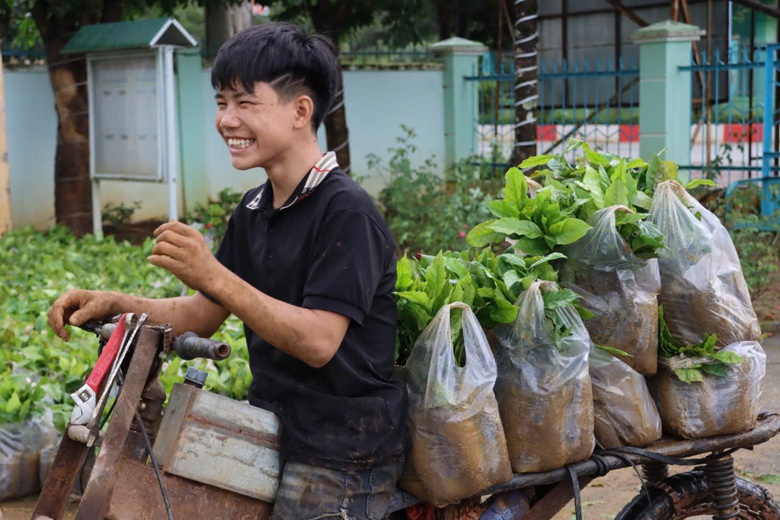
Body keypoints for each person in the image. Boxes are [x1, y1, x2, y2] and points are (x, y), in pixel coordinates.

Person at [47, 22, 408, 520]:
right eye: (221, 102)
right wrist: (113, 303)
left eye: (245, 102)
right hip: (273, 429)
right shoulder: (254, 209)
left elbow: (319, 341)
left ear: (300, 111)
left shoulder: (346, 211)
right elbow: (202, 314)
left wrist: (212, 273)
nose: (226, 119)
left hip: (341, 451)